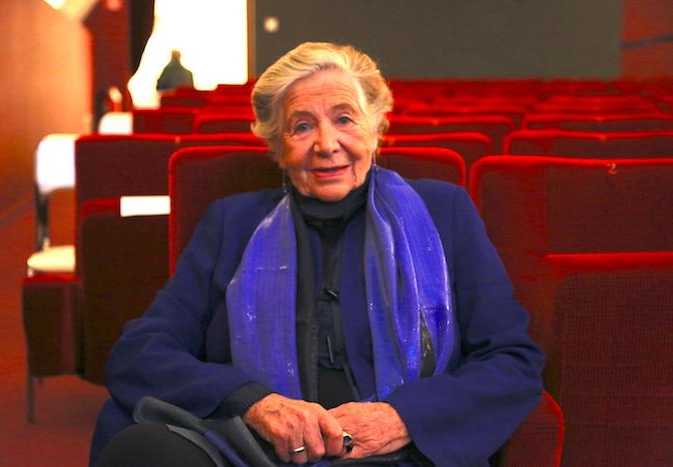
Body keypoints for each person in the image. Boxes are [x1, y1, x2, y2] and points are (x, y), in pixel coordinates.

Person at [90, 42, 544, 466]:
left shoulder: (444, 212)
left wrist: (402, 417)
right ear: (278, 145)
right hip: (254, 450)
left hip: (394, 453)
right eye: (302, 126)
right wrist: (254, 402)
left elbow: (511, 358)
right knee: (141, 448)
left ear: (375, 128)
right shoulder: (232, 223)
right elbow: (142, 350)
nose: (327, 144)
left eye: (344, 119)